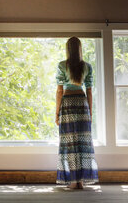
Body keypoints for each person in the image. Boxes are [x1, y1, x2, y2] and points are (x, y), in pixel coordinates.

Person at [55, 37, 99, 189]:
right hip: (82, 104)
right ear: (80, 49)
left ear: (68, 49)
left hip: (68, 103)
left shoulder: (62, 65)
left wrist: (56, 112)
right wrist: (90, 113)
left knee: (70, 141)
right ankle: (80, 181)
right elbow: (89, 91)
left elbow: (59, 90)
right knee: (82, 141)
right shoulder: (87, 66)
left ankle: (73, 181)